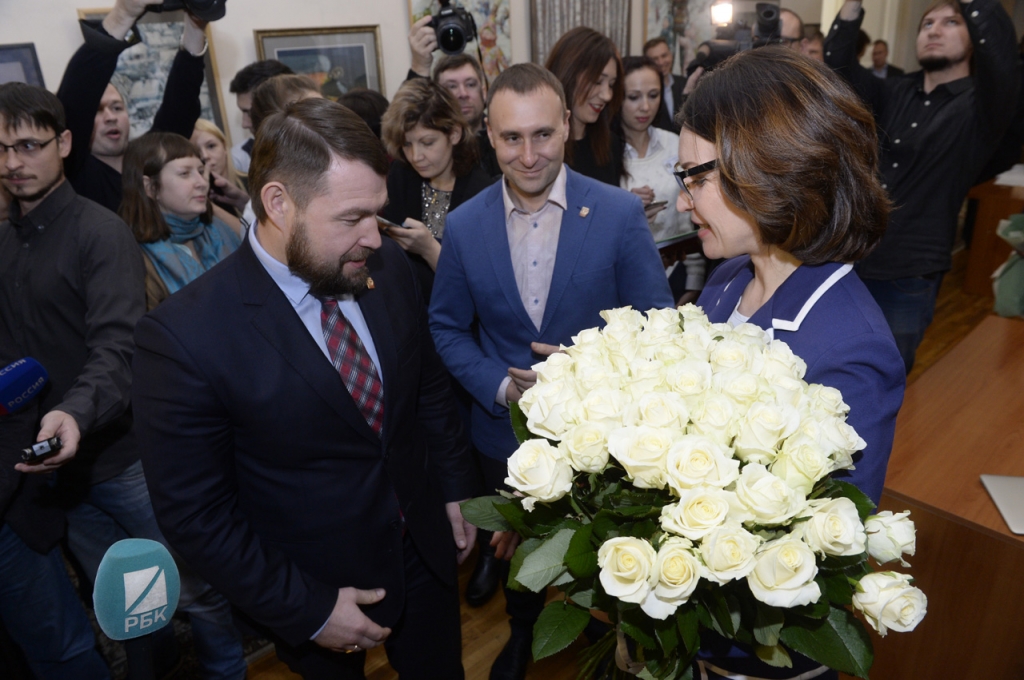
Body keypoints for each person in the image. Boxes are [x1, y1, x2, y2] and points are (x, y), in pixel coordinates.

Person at [132, 97, 479, 680]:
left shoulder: (386, 268)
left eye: (377, 212)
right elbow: (196, 513)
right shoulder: (184, 337)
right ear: (277, 203)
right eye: (351, 218)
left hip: (423, 545)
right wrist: (308, 609)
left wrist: (455, 487)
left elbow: (428, 390)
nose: (374, 236)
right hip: (311, 581)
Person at [429, 62, 674, 680]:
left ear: (567, 124)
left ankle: (613, 650)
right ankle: (522, 632)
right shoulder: (462, 226)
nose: (529, 154)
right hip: (503, 440)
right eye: (512, 138)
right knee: (519, 556)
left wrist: (587, 370)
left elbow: (658, 325)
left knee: (609, 557)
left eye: (543, 134)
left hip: (607, 440)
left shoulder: (617, 214)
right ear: (488, 133)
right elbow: (447, 327)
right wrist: (501, 385)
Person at [676, 46, 905, 679]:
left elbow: (825, 550)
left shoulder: (848, 348)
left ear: (768, 165)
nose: (681, 201)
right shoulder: (726, 280)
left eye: (695, 176)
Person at [825, 0, 1020, 372]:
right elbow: (839, 66)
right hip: (848, 258)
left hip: (909, 271)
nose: (934, 29)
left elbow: (1003, 58)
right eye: (927, 23)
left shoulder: (982, 106)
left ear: (974, 37)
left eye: (951, 22)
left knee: (885, 376)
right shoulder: (894, 92)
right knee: (831, 365)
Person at [57, 0, 208, 213]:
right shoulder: (74, 171)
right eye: (98, 110)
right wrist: (123, 14)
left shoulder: (148, 158)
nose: (110, 117)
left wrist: (196, 24)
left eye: (117, 107)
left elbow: (180, 108)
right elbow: (77, 94)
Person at [379, 79, 491, 277]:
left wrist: (429, 249)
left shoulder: (482, 192)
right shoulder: (401, 174)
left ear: (454, 134)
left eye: (427, 142)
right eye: (407, 144)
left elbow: (480, 283)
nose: (415, 156)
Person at [121, 132, 243, 310]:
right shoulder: (135, 260)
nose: (201, 182)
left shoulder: (219, 229)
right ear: (151, 187)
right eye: (185, 173)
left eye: (201, 171)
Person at [407, 18, 501, 178]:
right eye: (451, 86)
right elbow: (405, 121)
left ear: (484, 92)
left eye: (470, 84)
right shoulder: (429, 155)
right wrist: (418, 67)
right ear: (437, 97)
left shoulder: (503, 138)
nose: (462, 94)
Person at [545, 27, 625, 186]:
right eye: (597, 82)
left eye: (611, 85)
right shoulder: (540, 148)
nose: (607, 95)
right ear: (568, 74)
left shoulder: (610, 145)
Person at [227, 59, 294, 173]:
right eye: (243, 112)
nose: (245, 124)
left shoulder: (326, 145)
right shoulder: (241, 158)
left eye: (250, 113)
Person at [191, 118, 247, 214]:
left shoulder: (255, 183)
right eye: (196, 151)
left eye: (211, 146)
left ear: (224, 147)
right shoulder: (193, 200)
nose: (204, 156)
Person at [643, 36, 685, 132]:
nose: (661, 62)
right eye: (655, 59)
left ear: (671, 55)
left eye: (664, 56)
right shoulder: (643, 90)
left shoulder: (684, 84)